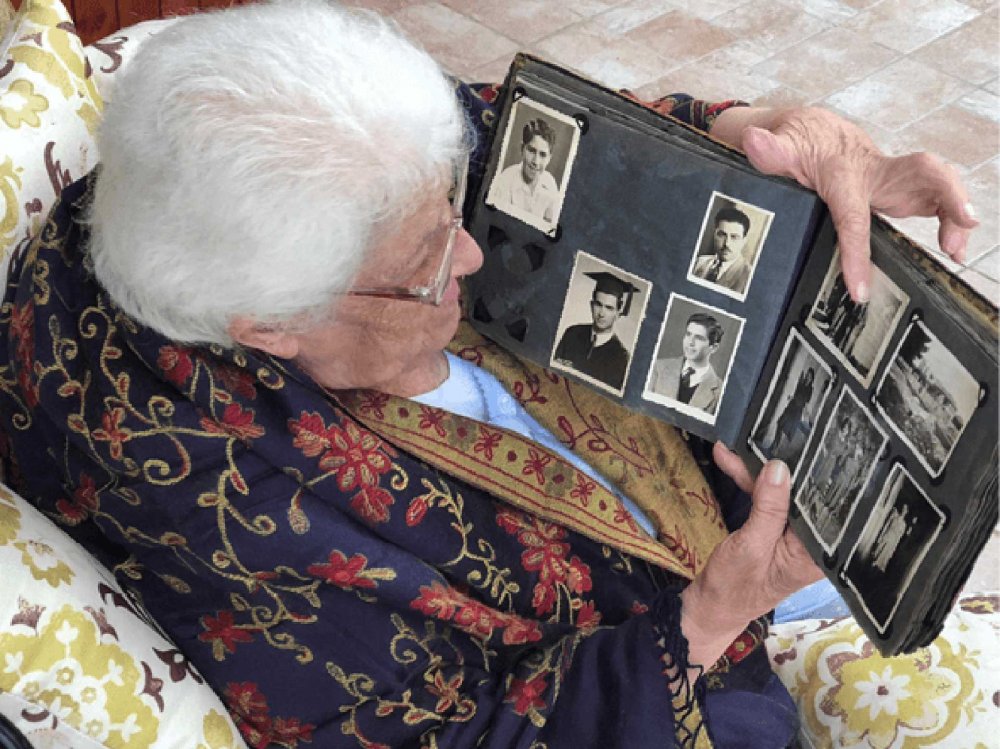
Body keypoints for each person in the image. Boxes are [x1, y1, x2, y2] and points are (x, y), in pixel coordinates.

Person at [0, 2, 977, 747]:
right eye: (430, 260)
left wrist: (763, 136)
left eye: (456, 206)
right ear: (273, 326)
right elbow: (450, 730)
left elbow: (533, 143)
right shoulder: (236, 521)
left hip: (727, 495)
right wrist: (713, 613)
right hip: (686, 634)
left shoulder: (271, 174)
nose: (473, 256)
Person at [553, 271, 638, 390]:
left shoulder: (622, 359)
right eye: (598, 304)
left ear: (618, 314)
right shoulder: (572, 333)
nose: (601, 313)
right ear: (591, 305)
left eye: (609, 308)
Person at [649, 313, 725, 415]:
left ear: (714, 348)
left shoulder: (720, 391)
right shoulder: (658, 368)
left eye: (699, 338)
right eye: (688, 334)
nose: (690, 342)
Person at [489, 116, 559, 223]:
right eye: (531, 151)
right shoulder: (505, 180)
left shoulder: (550, 185)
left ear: (549, 158)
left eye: (543, 155)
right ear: (522, 148)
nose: (536, 161)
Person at [692, 206, 753, 294]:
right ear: (714, 235)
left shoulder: (749, 277)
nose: (727, 243)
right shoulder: (699, 262)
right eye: (722, 235)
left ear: (744, 241)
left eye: (734, 237)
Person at [767, 367, 815, 457]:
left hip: (796, 411)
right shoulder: (801, 383)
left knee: (787, 430)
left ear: (812, 378)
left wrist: (795, 398)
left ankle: (776, 450)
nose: (808, 377)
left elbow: (805, 400)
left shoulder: (810, 389)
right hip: (791, 407)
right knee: (780, 424)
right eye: (807, 375)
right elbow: (796, 393)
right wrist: (792, 397)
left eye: (810, 376)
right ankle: (774, 445)